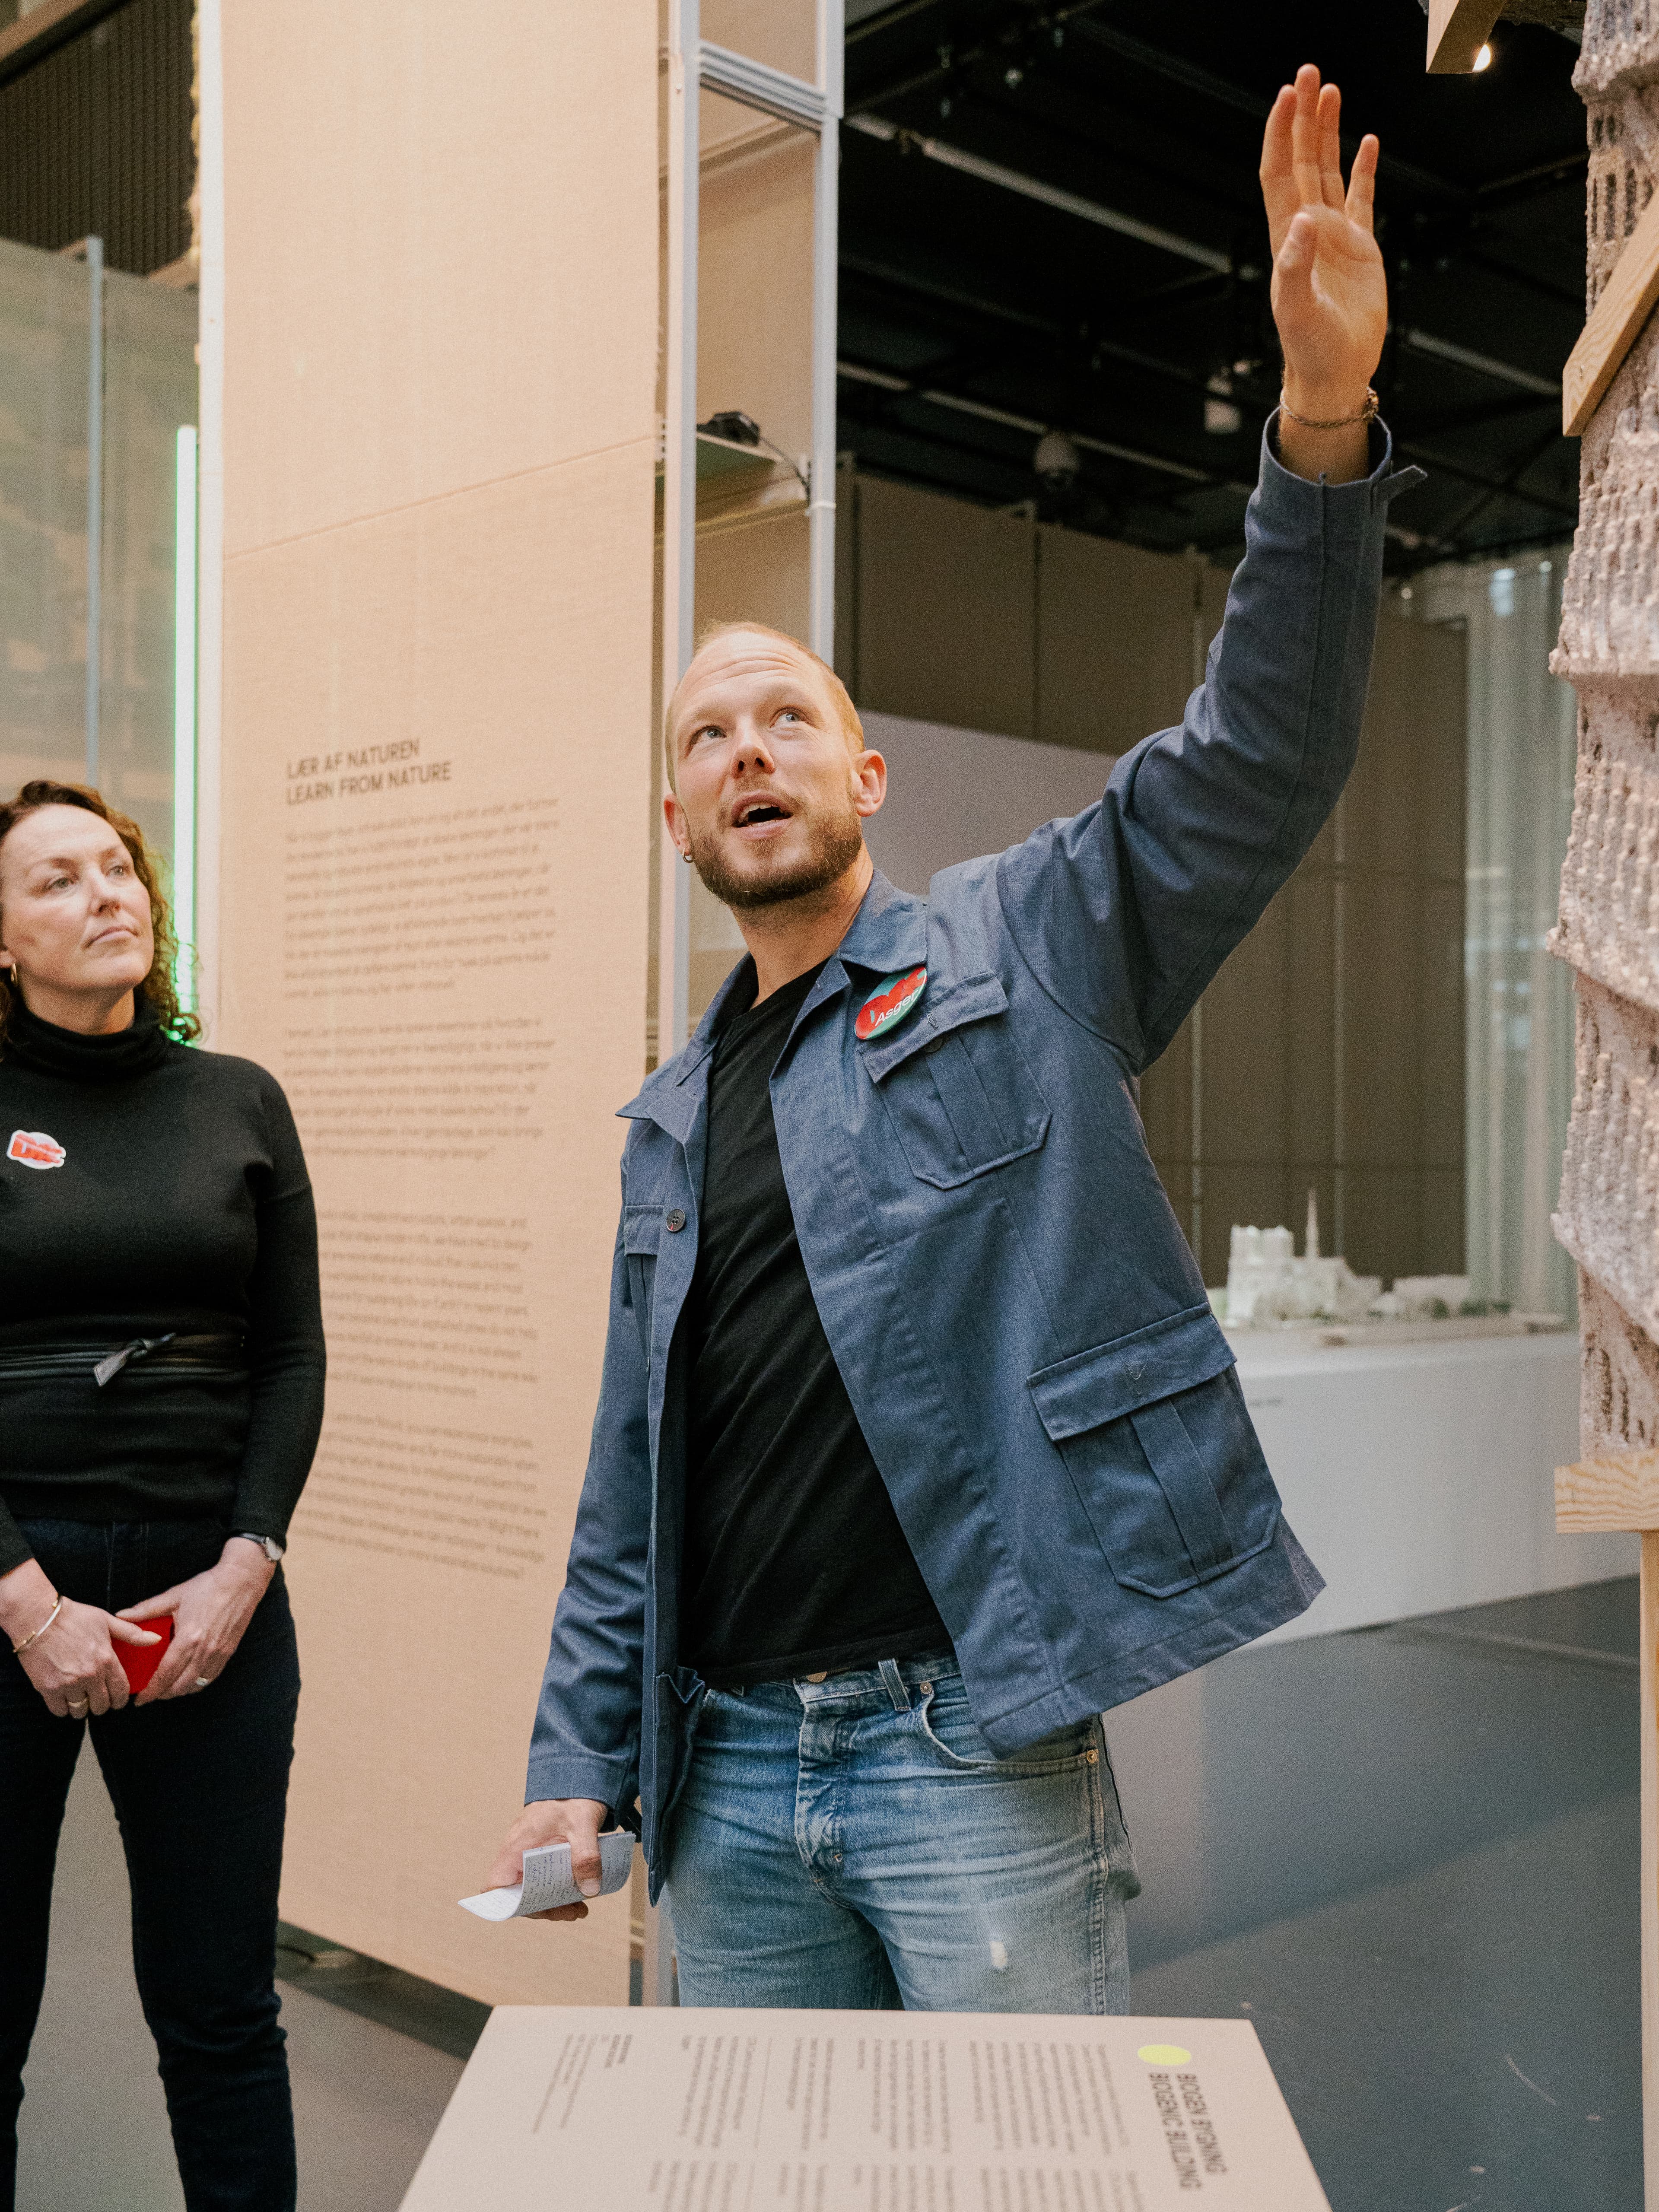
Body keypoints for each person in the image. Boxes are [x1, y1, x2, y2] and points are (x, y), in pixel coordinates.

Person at [489, 65, 1421, 2009]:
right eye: (706, 736)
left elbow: (1258, 754)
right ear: (677, 817)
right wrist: (579, 1750)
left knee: (1020, 2150)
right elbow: (629, 1475)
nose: (747, 749)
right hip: (724, 1775)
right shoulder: (670, 1122)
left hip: (968, 1748)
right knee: (763, 2153)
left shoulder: (1029, 938)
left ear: (867, 775)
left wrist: (1321, 421)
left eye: (788, 718)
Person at [0, 781, 324, 2209]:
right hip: (9, 1583)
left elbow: (292, 1351)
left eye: (117, 868)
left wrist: (249, 1561)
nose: (105, 896)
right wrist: (27, 1605)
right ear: (2, 938)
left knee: (222, 2012)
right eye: (58, 880)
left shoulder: (236, 1099)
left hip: (210, 1597)